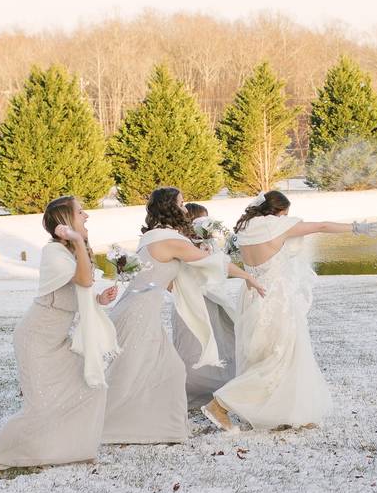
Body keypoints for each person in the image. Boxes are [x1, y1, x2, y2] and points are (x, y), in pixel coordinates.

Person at [202, 190, 377, 432]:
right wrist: (356, 228)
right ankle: (220, 403)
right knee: (280, 358)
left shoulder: (244, 230)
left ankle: (281, 413)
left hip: (252, 295)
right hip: (277, 298)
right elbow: (323, 225)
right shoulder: (277, 226)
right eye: (286, 212)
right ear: (278, 212)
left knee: (267, 357)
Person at [102, 187, 264, 444]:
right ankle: (107, 424)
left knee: (168, 371)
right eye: (181, 202)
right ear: (170, 207)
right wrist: (248, 276)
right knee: (128, 371)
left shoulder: (155, 237)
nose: (185, 207)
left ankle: (164, 425)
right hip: (137, 314)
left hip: (138, 311)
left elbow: (162, 279)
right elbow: (215, 264)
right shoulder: (169, 240)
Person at [0, 196, 119, 473]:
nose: (86, 216)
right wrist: (78, 240)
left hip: (58, 341)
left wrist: (99, 299)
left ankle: (73, 450)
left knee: (93, 387)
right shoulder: (53, 252)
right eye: (80, 212)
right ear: (66, 221)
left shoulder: (68, 253)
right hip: (36, 340)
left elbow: (81, 290)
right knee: (39, 408)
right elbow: (84, 280)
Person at [172, 203, 237, 410]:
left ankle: (222, 388)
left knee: (222, 338)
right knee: (193, 344)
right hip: (191, 301)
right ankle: (190, 390)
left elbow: (218, 268)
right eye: (204, 218)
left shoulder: (205, 244)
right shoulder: (181, 245)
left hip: (211, 298)